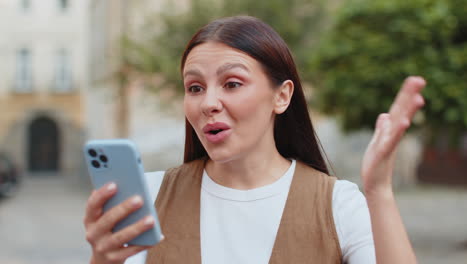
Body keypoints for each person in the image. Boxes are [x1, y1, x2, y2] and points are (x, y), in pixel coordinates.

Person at [84, 16, 426, 264]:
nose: (208, 103)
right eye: (195, 88)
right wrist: (102, 259)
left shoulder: (339, 205)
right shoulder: (151, 198)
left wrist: (379, 190)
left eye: (232, 83)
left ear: (282, 96)